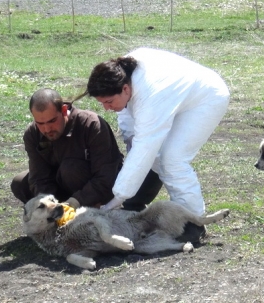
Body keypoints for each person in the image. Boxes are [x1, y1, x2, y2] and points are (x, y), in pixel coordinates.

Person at [85, 47, 230, 239]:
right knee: (148, 151)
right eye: (102, 103)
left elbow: (145, 146)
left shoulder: (150, 95)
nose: (106, 108)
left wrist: (114, 201)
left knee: (172, 158)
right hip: (177, 95)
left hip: (207, 98)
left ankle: (193, 223)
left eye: (109, 101)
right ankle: (136, 201)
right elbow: (132, 135)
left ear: (125, 89)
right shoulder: (122, 74)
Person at [10, 88, 162, 211]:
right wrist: (49, 203)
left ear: (64, 111)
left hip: (97, 190)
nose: (47, 128)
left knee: (70, 168)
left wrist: (76, 202)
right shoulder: (33, 133)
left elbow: (106, 176)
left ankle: (88, 210)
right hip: (61, 189)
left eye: (52, 121)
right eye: (40, 123)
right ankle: (58, 215)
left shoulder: (91, 125)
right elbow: (39, 177)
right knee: (20, 183)